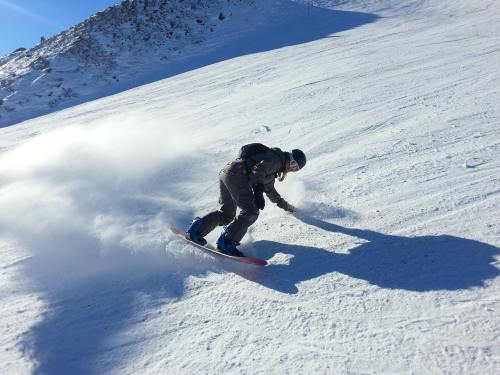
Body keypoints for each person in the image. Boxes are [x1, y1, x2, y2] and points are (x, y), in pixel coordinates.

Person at [186, 143, 306, 256]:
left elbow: (271, 193)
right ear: (289, 157)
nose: (292, 168)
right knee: (251, 212)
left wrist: (288, 207)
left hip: (228, 173)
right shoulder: (276, 160)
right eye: (293, 164)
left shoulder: (273, 168)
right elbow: (259, 170)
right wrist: (258, 190)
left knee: (227, 214)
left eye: (296, 168)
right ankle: (227, 242)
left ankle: (197, 230)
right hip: (238, 175)